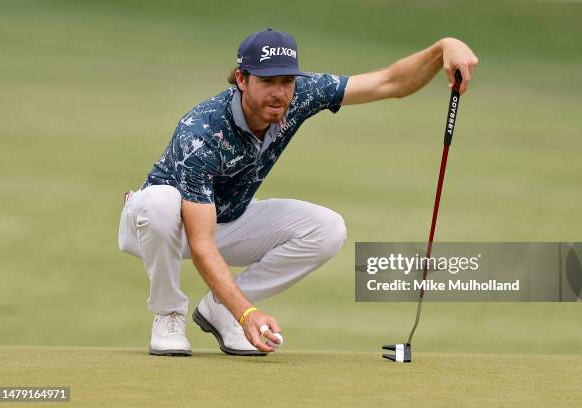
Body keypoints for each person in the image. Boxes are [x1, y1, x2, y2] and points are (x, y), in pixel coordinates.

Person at [117, 28, 479, 357]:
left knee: (326, 228)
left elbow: (388, 83)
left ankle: (219, 309)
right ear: (242, 79)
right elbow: (200, 244)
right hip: (157, 225)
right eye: (267, 81)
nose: (280, 92)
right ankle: (168, 314)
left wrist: (442, 48)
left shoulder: (300, 96)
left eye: (287, 80)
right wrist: (247, 313)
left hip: (225, 217)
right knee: (161, 202)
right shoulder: (202, 131)